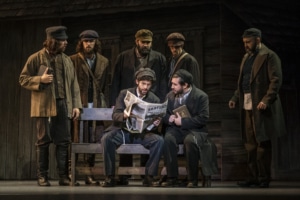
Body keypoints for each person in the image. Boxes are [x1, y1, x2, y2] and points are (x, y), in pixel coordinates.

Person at [19, 26, 82, 186]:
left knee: (64, 141)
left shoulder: (66, 60)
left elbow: (74, 84)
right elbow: (23, 79)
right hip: (43, 106)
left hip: (63, 104)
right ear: (53, 41)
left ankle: (63, 176)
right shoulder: (36, 58)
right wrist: (40, 80)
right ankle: (43, 177)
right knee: (43, 141)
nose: (66, 43)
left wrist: (76, 105)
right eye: (62, 40)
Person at [228, 28, 286, 188]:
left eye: (248, 42)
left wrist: (267, 99)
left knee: (262, 143)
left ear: (258, 40)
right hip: (247, 103)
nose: (246, 45)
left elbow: (276, 80)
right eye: (244, 42)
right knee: (250, 143)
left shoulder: (269, 56)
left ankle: (263, 178)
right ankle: (252, 176)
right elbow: (243, 82)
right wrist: (235, 98)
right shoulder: (246, 57)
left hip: (261, 106)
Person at [110, 29, 168, 184]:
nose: (146, 45)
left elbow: (162, 82)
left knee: (149, 134)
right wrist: (115, 102)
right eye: (143, 42)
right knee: (125, 133)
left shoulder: (159, 58)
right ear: (137, 41)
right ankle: (124, 176)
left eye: (149, 42)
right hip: (128, 100)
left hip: (150, 100)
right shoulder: (124, 57)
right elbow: (116, 79)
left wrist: (160, 105)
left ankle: (147, 175)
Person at [101, 67, 164, 187]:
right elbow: (115, 115)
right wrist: (124, 115)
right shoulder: (125, 94)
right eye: (143, 83)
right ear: (137, 82)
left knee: (159, 141)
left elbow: (154, 123)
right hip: (124, 131)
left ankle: (149, 176)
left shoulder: (154, 98)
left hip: (142, 134)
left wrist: (155, 124)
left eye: (148, 84)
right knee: (106, 139)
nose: (146, 87)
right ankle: (110, 176)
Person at [155, 69, 211, 188]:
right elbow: (163, 114)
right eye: (172, 83)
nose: (172, 87)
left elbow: (203, 119)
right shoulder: (170, 96)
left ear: (185, 85)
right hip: (175, 129)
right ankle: (172, 178)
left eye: (175, 84)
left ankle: (192, 179)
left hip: (194, 130)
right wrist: (168, 118)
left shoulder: (201, 96)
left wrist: (183, 121)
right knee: (168, 139)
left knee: (189, 141)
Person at [70, 30, 109, 185]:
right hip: (79, 103)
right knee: (77, 137)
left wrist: (107, 103)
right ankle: (71, 172)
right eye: (86, 41)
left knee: (93, 137)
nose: (88, 44)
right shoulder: (73, 60)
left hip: (97, 103)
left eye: (91, 41)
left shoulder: (104, 62)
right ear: (81, 43)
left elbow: (106, 84)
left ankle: (89, 174)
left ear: (95, 43)